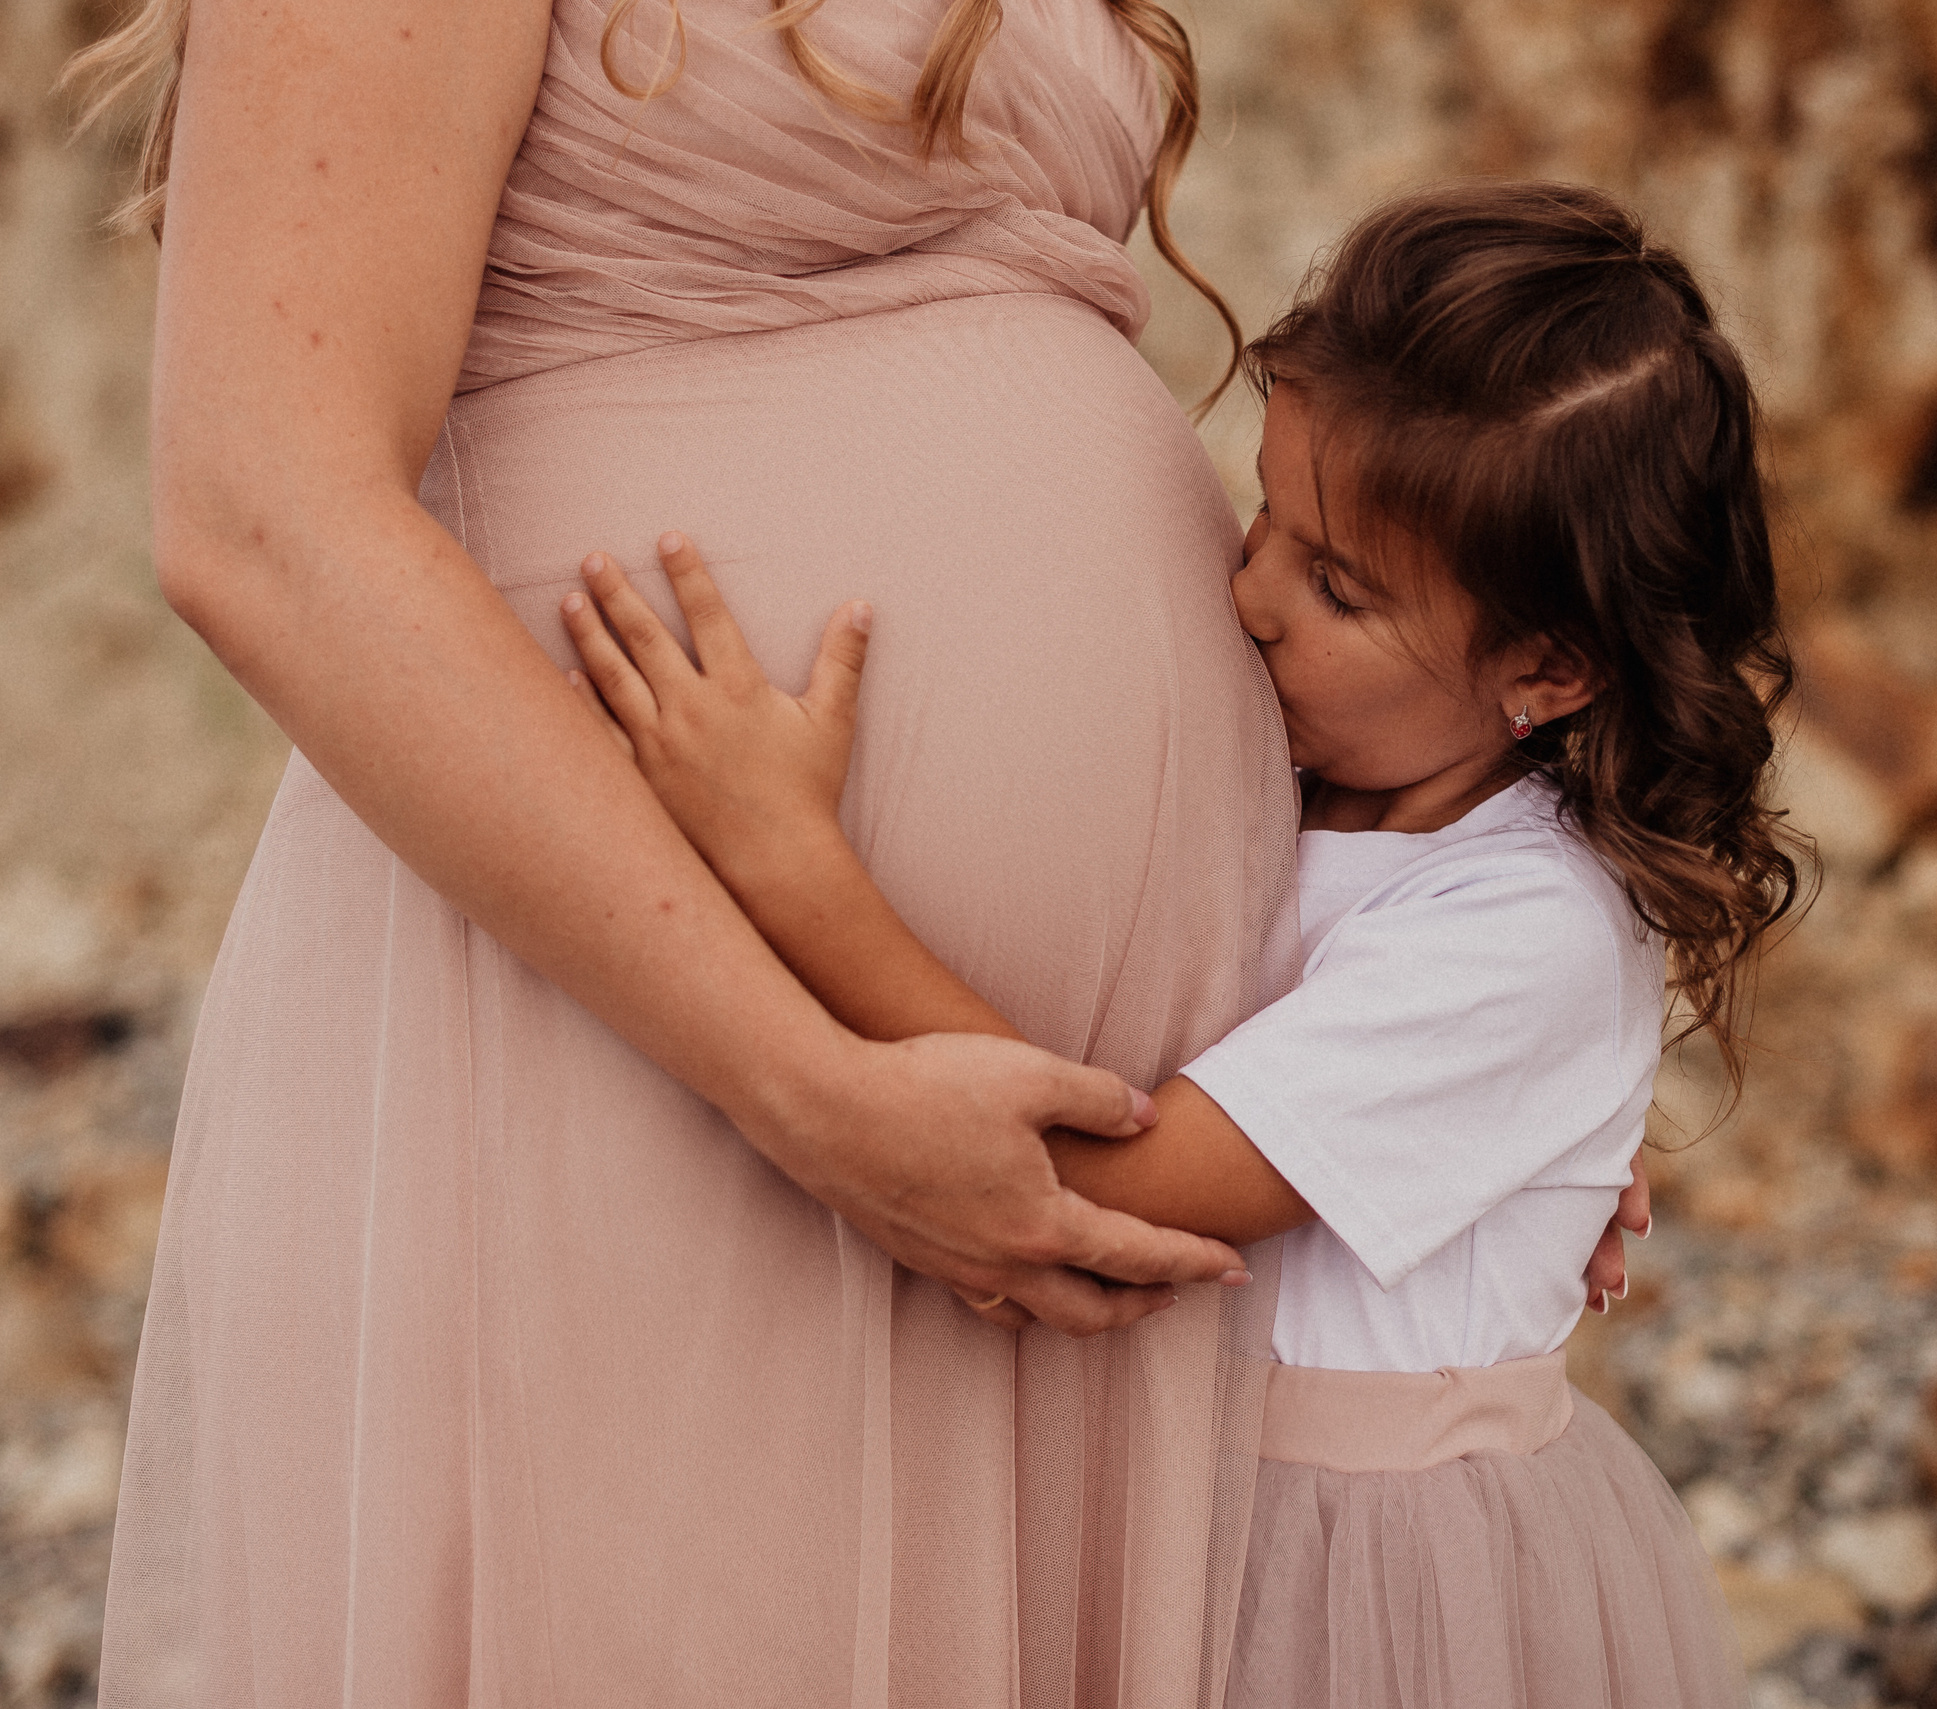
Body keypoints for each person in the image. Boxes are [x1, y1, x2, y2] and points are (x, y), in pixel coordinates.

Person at [561, 179, 1798, 1708]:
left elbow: (1113, 1188)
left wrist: (793, 867)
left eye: (1339, 586)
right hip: (1168, 1485)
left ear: (1545, 667)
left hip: (1353, 1585)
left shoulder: (1528, 928)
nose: (1251, 590)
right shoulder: (1325, 779)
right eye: (1268, 503)